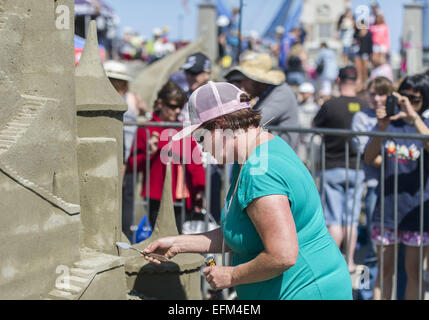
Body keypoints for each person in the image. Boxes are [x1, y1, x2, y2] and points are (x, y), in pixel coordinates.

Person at [142, 81, 352, 300]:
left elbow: (283, 254)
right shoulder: (253, 155)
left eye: (200, 137)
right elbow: (241, 233)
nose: (199, 146)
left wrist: (232, 275)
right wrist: (178, 244)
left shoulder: (259, 171)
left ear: (221, 124)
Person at [364, 74, 429, 300]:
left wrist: (413, 117)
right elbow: (369, 157)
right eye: (405, 97)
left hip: (417, 212)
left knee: (413, 271)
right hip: (388, 210)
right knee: (384, 270)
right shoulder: (389, 123)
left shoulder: (424, 125)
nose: (408, 102)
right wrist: (382, 128)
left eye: (416, 99)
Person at [126, 81, 206, 234]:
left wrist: (200, 188)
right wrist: (150, 152)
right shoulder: (146, 129)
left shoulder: (184, 129)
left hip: (184, 196)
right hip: (157, 196)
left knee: (181, 241)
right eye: (172, 106)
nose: (176, 111)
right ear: (160, 103)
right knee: (161, 239)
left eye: (179, 107)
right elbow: (132, 165)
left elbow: (195, 161)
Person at [313, 66, 370, 273]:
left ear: (339, 80)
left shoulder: (330, 105)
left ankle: (331, 263)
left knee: (334, 219)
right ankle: (350, 261)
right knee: (351, 219)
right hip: (357, 168)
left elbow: (314, 127)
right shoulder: (364, 105)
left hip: (332, 166)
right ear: (355, 81)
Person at [352, 77, 392, 299]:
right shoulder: (360, 118)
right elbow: (368, 157)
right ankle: (365, 291)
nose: (377, 99)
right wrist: (399, 161)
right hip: (375, 186)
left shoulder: (395, 116)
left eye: (382, 94)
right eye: (373, 93)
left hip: (399, 189)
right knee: (373, 249)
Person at [224, 51, 300, 150]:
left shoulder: (282, 93)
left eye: (246, 79)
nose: (242, 85)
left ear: (258, 82)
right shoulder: (268, 94)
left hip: (278, 159)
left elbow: (254, 121)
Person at [296, 82, 320, 166]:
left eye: (303, 93)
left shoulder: (315, 108)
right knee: (301, 163)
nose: (301, 95)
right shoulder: (298, 107)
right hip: (301, 140)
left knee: (313, 164)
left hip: (313, 140)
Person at [353, 27, 373, 92]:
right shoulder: (356, 33)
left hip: (365, 53)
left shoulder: (369, 34)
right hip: (358, 53)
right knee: (358, 69)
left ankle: (364, 83)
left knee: (364, 69)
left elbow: (370, 45)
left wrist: (370, 54)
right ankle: (359, 83)